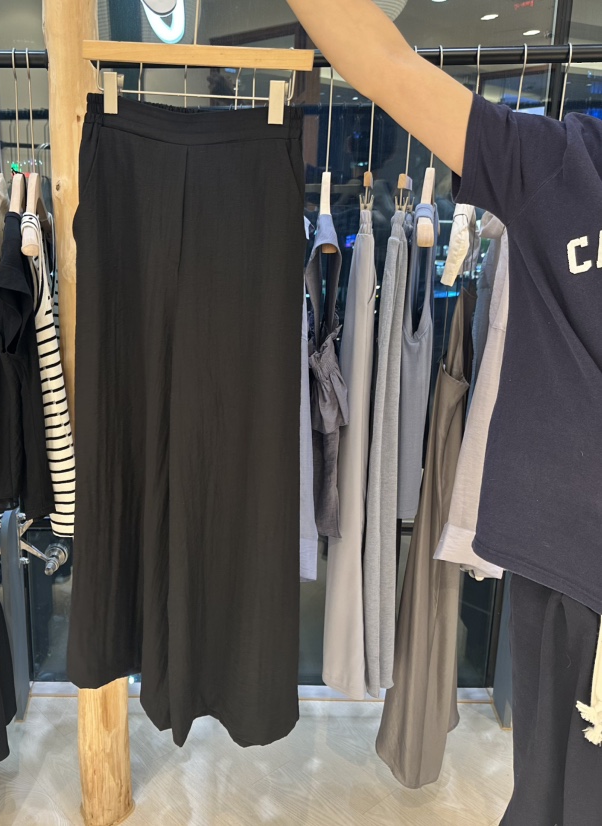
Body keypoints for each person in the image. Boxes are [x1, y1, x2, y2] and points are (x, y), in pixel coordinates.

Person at [286, 2, 602, 823]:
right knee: (550, 796)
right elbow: (386, 66)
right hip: (564, 567)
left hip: (562, 554)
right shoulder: (564, 164)